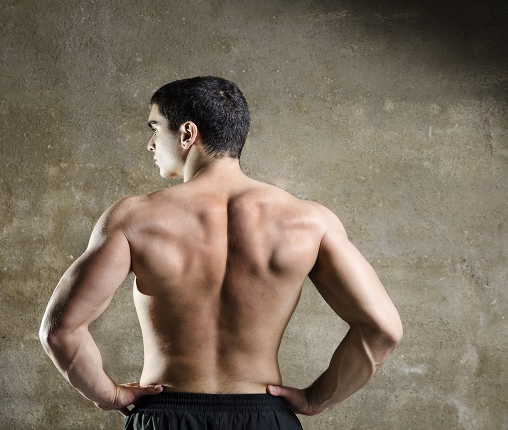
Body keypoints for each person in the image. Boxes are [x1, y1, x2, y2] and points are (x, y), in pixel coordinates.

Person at [39, 76, 403, 429]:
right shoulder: (309, 221)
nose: (151, 145)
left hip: (167, 414)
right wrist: (314, 400)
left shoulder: (134, 219)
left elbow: (59, 332)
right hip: (264, 416)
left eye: (155, 128)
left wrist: (110, 394)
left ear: (186, 133)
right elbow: (383, 330)